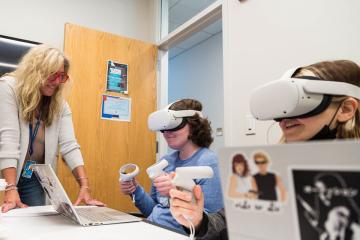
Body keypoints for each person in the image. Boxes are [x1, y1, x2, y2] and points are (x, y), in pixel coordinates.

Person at [169, 60, 360, 240]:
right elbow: (228, 223)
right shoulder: (268, 169)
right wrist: (199, 220)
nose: (286, 117)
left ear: (346, 109)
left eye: (301, 102)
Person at [0, 44, 104, 212]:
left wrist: (85, 186)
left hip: (31, 175)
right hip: (6, 171)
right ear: (36, 71)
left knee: (34, 224)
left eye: (61, 76)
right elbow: (9, 139)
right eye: (52, 75)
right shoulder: (9, 87)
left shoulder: (59, 105)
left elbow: (70, 146)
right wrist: (11, 187)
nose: (56, 82)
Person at [119, 99, 224, 232]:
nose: (167, 133)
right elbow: (154, 211)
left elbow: (211, 227)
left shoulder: (209, 164)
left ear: (194, 126)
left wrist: (178, 192)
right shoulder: (166, 162)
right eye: (164, 128)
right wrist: (135, 190)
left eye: (174, 126)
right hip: (152, 230)